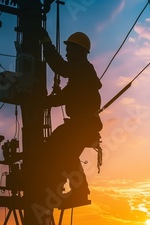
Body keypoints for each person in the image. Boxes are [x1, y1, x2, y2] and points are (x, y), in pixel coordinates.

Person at [37, 29, 103, 203]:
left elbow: (61, 68)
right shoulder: (80, 75)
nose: (66, 53)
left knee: (61, 151)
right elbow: (66, 96)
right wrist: (47, 102)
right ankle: (72, 191)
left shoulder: (82, 69)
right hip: (82, 124)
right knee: (64, 151)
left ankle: (54, 190)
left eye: (69, 49)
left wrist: (46, 43)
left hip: (83, 125)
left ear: (80, 51)